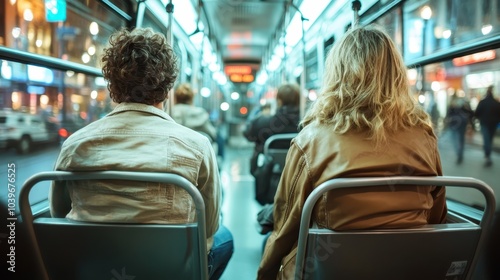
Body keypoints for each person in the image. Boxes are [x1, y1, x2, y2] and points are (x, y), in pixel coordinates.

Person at [257, 25, 447, 280]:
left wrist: (265, 274)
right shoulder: (424, 136)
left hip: (331, 270)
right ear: (397, 75)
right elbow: (436, 215)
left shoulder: (311, 140)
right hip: (408, 268)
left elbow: (286, 228)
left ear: (337, 74)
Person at [49, 27, 233, 280]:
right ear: (168, 87)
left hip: (95, 265)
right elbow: (208, 226)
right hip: (169, 268)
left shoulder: (74, 144)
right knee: (225, 238)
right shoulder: (198, 145)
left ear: (112, 84)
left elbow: (59, 214)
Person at [243, 83, 301, 177]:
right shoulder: (306, 124)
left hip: (267, 176)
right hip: (297, 174)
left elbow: (247, 134)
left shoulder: (264, 122)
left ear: (279, 101)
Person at [444, 92, 473, 164]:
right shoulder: (460, 105)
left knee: (456, 140)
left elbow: (448, 115)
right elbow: (470, 113)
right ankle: (459, 153)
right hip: (458, 124)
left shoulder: (458, 105)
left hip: (456, 124)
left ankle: (459, 153)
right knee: (459, 140)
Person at [474, 85, 500, 167]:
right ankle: (488, 155)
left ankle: (487, 156)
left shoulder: (483, 102)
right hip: (493, 124)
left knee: (486, 140)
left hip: (484, 123)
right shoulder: (496, 103)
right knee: (490, 139)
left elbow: (476, 113)